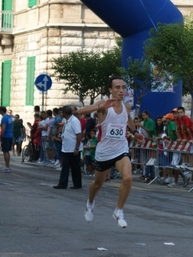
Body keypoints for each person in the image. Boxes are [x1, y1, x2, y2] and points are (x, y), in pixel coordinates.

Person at [77, 76, 143, 228]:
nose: (121, 90)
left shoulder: (126, 107)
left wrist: (135, 132)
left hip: (121, 149)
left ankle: (118, 211)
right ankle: (90, 202)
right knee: (97, 184)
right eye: (117, 87)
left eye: (123, 87)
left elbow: (128, 120)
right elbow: (80, 112)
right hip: (104, 152)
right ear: (110, 90)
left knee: (128, 178)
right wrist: (98, 106)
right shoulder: (103, 105)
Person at [53, 105, 83, 190]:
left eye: (62, 112)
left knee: (75, 167)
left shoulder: (74, 121)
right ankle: (62, 183)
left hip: (73, 148)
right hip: (66, 148)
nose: (61, 113)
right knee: (65, 166)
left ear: (65, 113)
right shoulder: (66, 121)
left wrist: (76, 148)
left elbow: (78, 134)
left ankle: (77, 184)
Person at [0, 106, 13, 173]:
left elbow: (3, 129)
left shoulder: (4, 118)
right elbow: (12, 127)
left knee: (5, 151)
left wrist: (0, 139)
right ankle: (7, 166)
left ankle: (7, 167)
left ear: (1, 111)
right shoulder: (9, 117)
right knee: (7, 151)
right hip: (10, 135)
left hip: (6, 136)